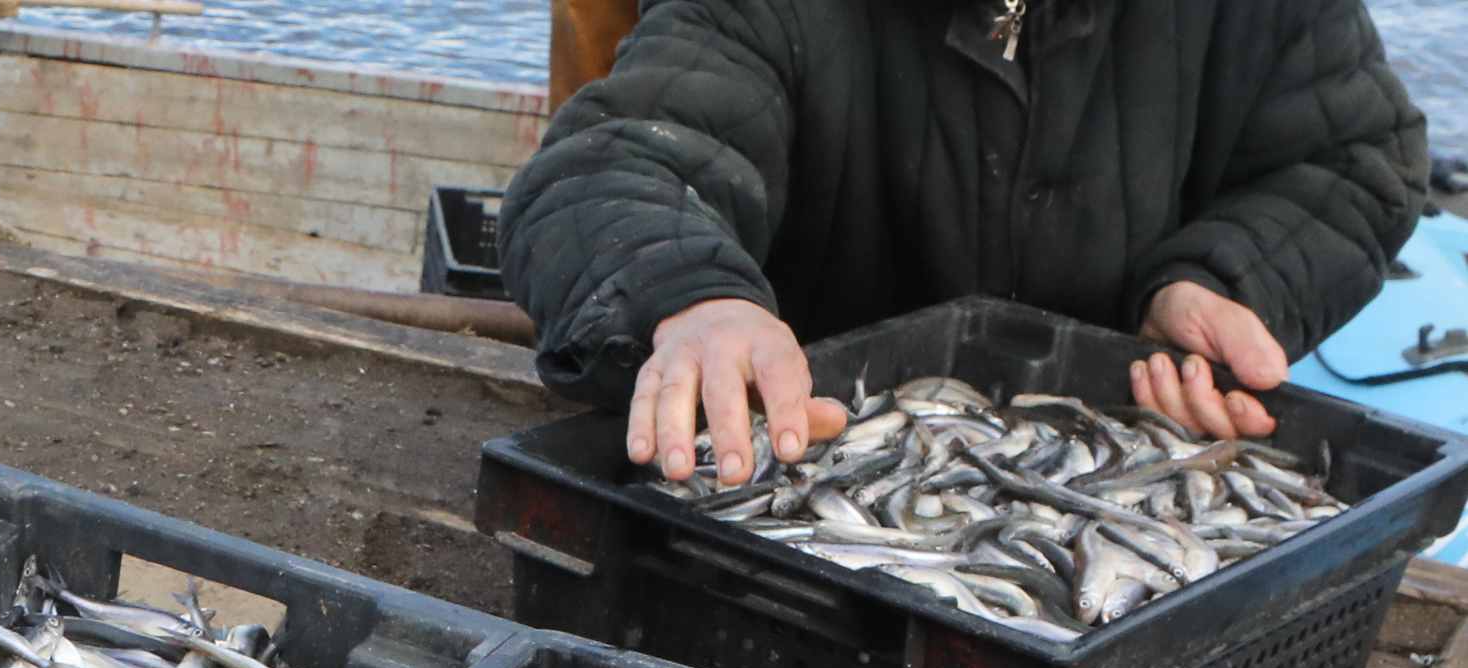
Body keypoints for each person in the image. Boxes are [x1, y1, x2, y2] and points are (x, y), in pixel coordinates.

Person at [500, 0, 1430, 485]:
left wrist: (1219, 280)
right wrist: (695, 299)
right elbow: (605, 167)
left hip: (1128, 454)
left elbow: (1357, 156)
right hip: (809, 467)